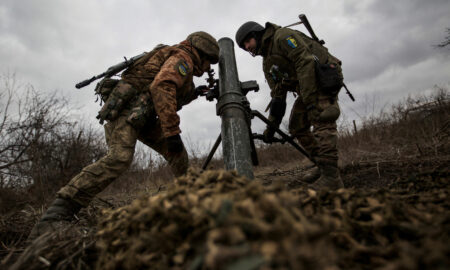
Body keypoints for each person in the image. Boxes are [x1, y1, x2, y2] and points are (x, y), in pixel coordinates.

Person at [29, 31, 220, 238]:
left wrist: (195, 92)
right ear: (201, 52)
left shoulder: (180, 61)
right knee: (119, 158)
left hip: (143, 115)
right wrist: (172, 131)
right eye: (209, 61)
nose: (208, 67)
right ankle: (55, 216)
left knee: (178, 156)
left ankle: (192, 202)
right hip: (127, 111)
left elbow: (169, 91)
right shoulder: (183, 58)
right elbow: (162, 86)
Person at [235, 21, 344, 190]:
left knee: (321, 118)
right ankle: (324, 167)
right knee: (297, 126)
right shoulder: (267, 63)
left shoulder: (282, 36)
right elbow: (278, 96)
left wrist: (309, 101)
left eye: (248, 41)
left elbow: (305, 61)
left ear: (256, 34)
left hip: (323, 79)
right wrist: (270, 130)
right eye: (244, 46)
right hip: (308, 89)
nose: (247, 46)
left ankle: (332, 178)